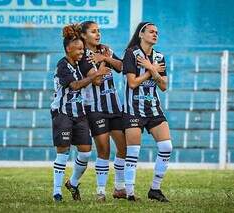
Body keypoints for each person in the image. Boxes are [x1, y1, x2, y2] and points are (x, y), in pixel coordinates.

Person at [51, 23, 110, 202]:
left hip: (79, 113)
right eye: (78, 49)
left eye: (82, 49)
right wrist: (95, 75)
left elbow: (93, 78)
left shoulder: (79, 64)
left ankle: (73, 183)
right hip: (63, 113)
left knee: (85, 153)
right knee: (63, 152)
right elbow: (75, 85)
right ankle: (57, 192)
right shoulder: (62, 65)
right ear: (68, 49)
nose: (81, 52)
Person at [122, 22, 173, 202]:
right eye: (151, 32)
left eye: (157, 32)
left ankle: (155, 189)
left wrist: (151, 68)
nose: (155, 34)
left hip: (153, 109)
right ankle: (129, 193)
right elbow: (133, 83)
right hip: (133, 109)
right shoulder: (131, 54)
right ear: (141, 34)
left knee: (167, 147)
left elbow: (164, 86)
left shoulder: (159, 56)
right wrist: (151, 71)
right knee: (134, 150)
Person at [78, 21, 127, 201]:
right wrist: (100, 67)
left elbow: (121, 67)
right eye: (93, 32)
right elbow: (97, 81)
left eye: (99, 31)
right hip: (95, 109)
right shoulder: (82, 56)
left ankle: (120, 189)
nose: (98, 34)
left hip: (114, 107)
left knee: (124, 147)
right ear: (84, 36)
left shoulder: (105, 50)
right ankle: (100, 191)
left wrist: (105, 58)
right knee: (104, 150)